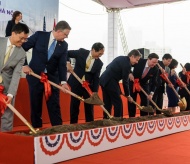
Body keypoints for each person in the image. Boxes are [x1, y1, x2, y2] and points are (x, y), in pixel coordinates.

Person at [22, 20, 71, 128]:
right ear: (58, 31)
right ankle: (36, 130)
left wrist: (63, 82)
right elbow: (22, 48)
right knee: (36, 105)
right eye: (65, 35)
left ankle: (58, 130)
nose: (66, 37)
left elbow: (62, 64)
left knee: (54, 105)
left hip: (52, 79)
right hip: (35, 76)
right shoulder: (39, 36)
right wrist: (24, 65)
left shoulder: (63, 45)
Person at [0, 23, 29, 132]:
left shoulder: (21, 53)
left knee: (7, 117)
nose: (22, 41)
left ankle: (6, 142)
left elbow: (16, 75)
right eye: (21, 38)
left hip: (7, 88)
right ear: (13, 33)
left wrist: (11, 94)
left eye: (25, 39)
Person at [67, 43, 104, 124]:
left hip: (88, 86)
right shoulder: (81, 52)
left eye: (102, 54)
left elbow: (96, 78)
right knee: (74, 105)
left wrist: (95, 92)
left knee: (89, 106)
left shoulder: (99, 63)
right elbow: (66, 53)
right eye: (99, 53)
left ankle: (90, 124)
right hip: (76, 83)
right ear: (93, 49)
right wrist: (68, 63)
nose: (100, 56)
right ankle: (73, 125)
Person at [100, 49, 141, 119]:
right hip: (111, 81)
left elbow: (108, 67)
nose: (137, 62)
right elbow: (125, 82)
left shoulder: (121, 58)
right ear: (132, 56)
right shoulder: (127, 65)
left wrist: (129, 73)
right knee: (118, 102)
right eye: (136, 60)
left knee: (107, 102)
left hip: (103, 79)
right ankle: (118, 119)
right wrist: (128, 95)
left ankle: (106, 119)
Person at [128, 53, 159, 117]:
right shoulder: (139, 61)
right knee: (132, 101)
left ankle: (144, 117)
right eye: (153, 62)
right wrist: (129, 73)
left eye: (156, 63)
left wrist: (151, 93)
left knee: (145, 101)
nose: (154, 64)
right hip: (133, 82)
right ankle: (131, 117)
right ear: (148, 59)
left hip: (143, 84)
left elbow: (154, 82)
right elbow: (128, 65)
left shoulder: (155, 69)